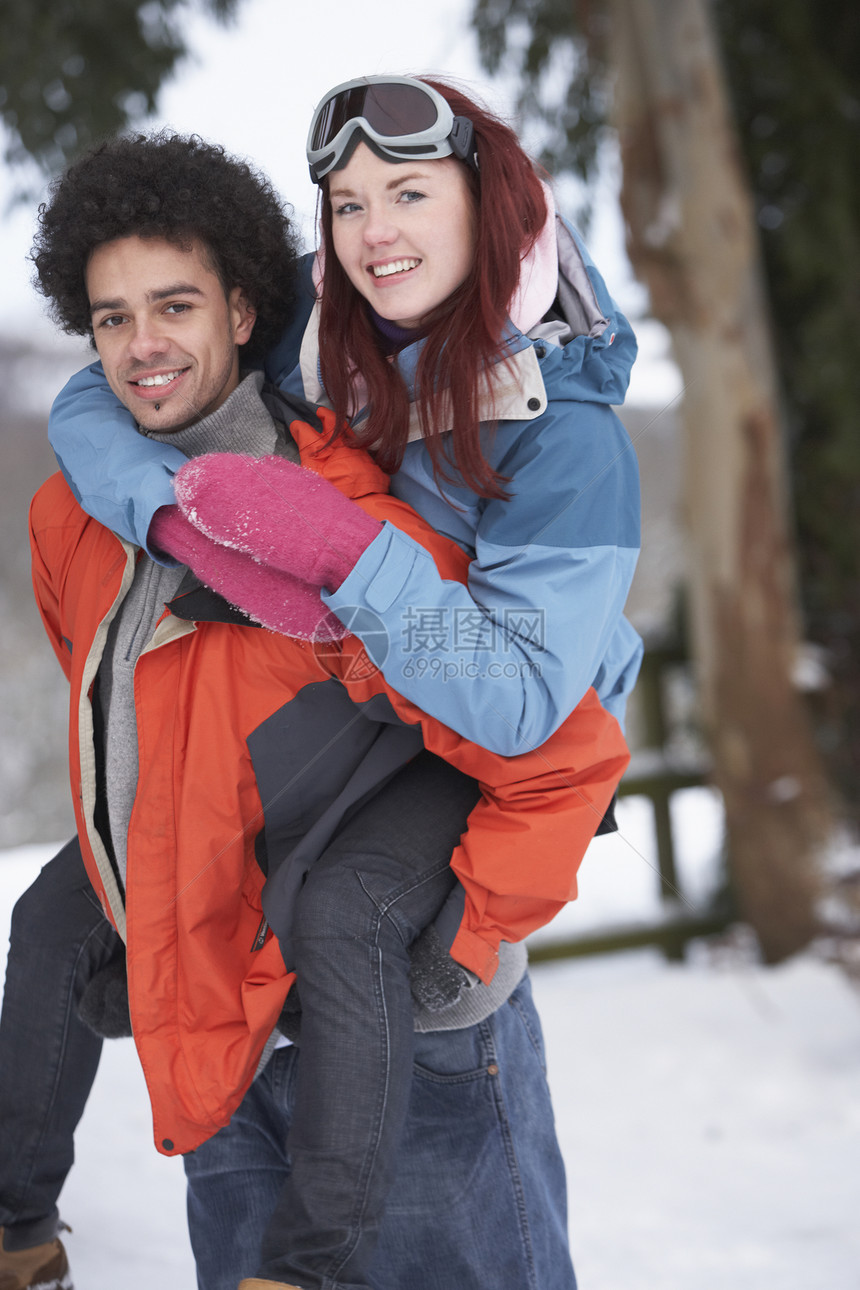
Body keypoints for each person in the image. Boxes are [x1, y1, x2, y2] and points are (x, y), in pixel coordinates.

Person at [0, 126, 631, 1290]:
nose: (142, 345)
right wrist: (144, 903)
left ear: (247, 313)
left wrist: (469, 933)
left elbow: (554, 737)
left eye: (175, 306)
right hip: (224, 1042)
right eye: (110, 318)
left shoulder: (348, 502)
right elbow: (118, 736)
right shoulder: (70, 517)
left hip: (416, 1052)